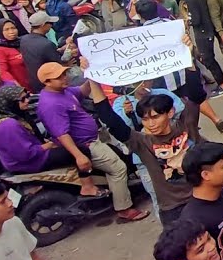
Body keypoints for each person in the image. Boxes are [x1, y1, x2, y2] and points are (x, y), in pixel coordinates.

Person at [35, 62, 148, 223]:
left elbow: (82, 91)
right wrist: (79, 156)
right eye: (58, 77)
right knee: (117, 169)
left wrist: (92, 74)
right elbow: (62, 134)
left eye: (63, 74)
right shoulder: (50, 104)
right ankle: (124, 209)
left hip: (94, 139)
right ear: (47, 82)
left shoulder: (63, 91)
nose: (64, 78)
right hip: (86, 144)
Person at [87, 76, 209, 225]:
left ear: (170, 113)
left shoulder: (186, 126)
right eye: (145, 119)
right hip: (173, 210)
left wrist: (189, 61)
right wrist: (92, 80)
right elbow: (110, 119)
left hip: (203, 197)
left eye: (155, 117)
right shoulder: (142, 143)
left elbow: (196, 94)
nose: (150, 124)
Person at [178, 0, 223, 93]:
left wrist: (187, 21)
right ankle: (222, 82)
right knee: (209, 58)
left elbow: (196, 20)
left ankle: (222, 85)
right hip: (208, 31)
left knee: (208, 59)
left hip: (203, 33)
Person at [20, 11, 64, 92]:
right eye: (50, 23)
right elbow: (58, 65)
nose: (51, 26)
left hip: (34, 82)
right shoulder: (47, 44)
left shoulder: (24, 39)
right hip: (49, 84)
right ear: (43, 25)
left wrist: (58, 50)